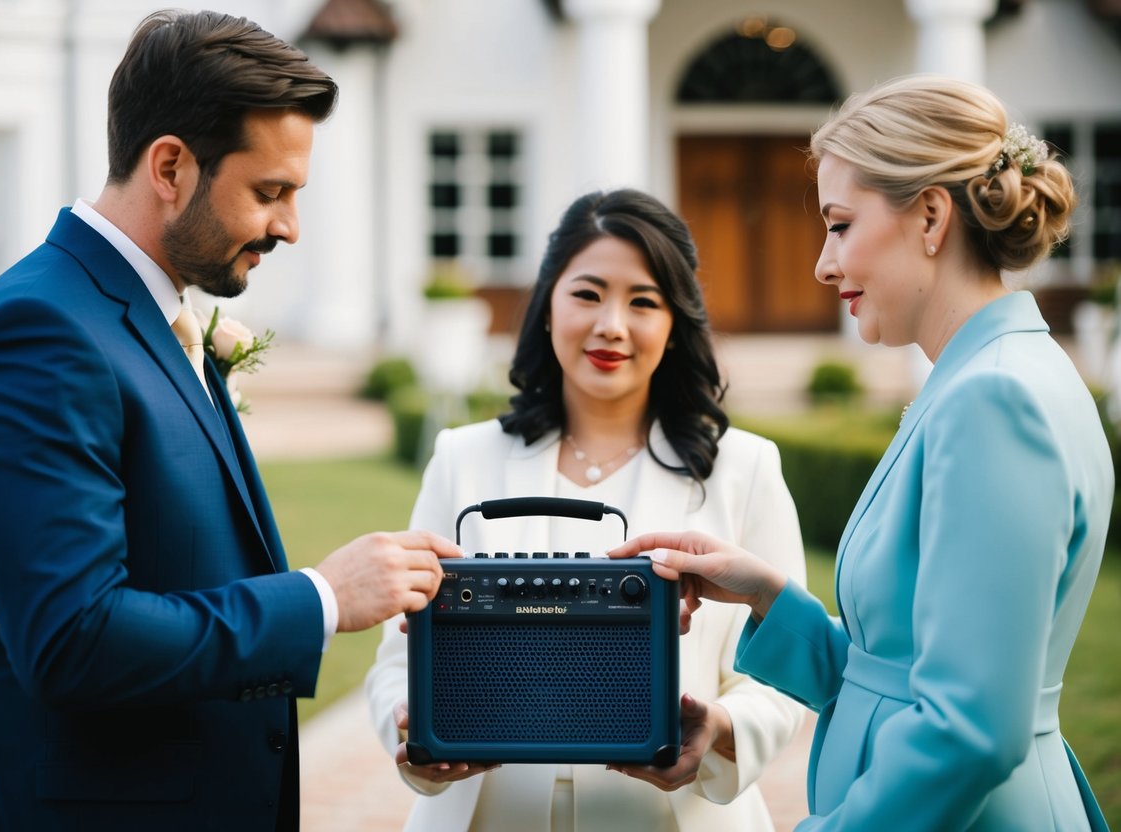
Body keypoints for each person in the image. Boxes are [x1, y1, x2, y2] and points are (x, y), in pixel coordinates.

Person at [0, 11, 458, 831]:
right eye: (269, 192)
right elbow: (73, 639)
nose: (288, 227)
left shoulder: (150, 312)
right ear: (170, 165)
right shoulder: (38, 333)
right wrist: (321, 598)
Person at [609, 75, 1112, 831]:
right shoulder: (982, 378)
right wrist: (767, 596)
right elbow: (904, 672)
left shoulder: (993, 401)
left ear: (931, 217)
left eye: (839, 225)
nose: (821, 263)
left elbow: (970, 729)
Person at [365, 189, 808, 832]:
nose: (612, 325)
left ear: (676, 324)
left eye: (644, 302)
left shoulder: (744, 469)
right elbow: (394, 660)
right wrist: (415, 728)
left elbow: (781, 672)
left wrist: (720, 729)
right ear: (547, 303)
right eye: (588, 293)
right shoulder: (462, 457)